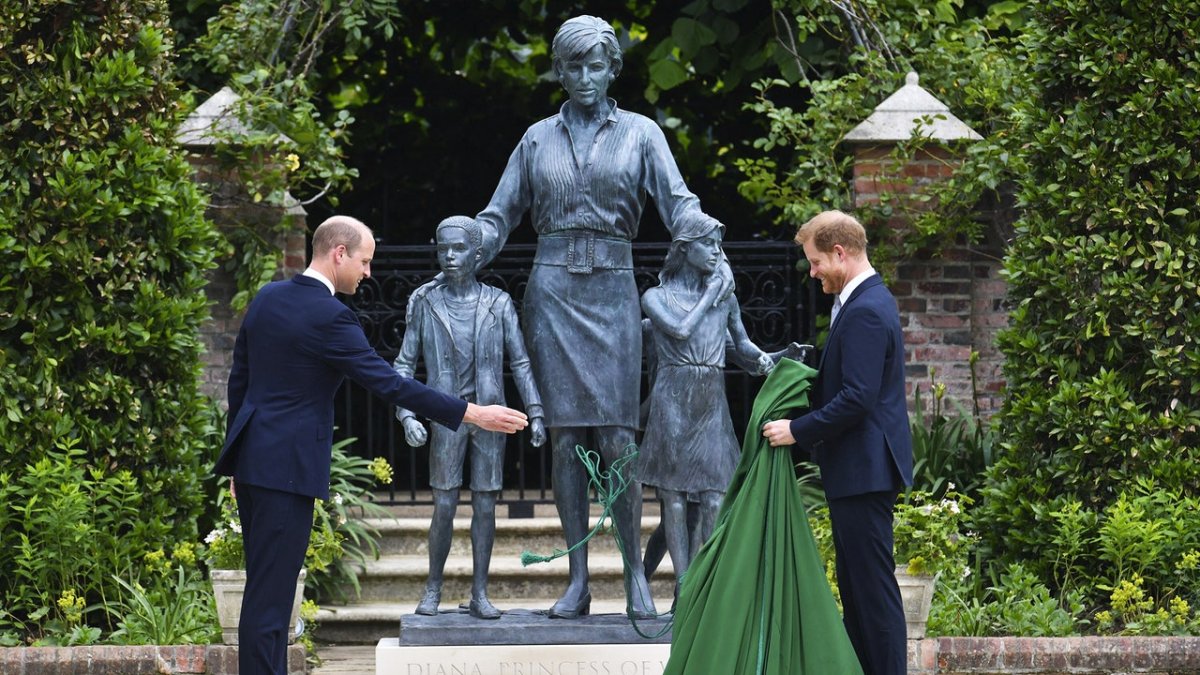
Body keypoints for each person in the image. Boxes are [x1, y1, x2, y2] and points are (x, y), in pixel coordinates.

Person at [466, 15, 733, 620]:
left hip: (613, 292)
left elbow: (679, 205)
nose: (585, 76)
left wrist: (712, 248)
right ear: (559, 72)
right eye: (573, 66)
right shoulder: (536, 139)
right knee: (566, 440)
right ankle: (578, 580)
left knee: (617, 438)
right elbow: (498, 215)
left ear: (613, 69)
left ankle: (636, 575)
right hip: (553, 293)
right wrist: (465, 249)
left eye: (596, 65)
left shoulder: (642, 134)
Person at [214, 215, 528, 674]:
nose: (367, 272)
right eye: (364, 261)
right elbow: (390, 383)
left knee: (268, 593)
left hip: (257, 464)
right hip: (287, 470)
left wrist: (236, 461)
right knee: (272, 598)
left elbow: (239, 381)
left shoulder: (267, 298)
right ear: (338, 253)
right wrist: (473, 413)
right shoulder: (329, 316)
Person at [761, 210, 914, 675]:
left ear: (840, 253)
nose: (813, 273)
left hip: (865, 471)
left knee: (872, 594)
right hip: (858, 470)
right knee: (857, 592)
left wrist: (797, 430)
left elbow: (857, 398)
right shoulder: (861, 301)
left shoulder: (865, 308)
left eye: (815, 262)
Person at [392, 216, 547, 620]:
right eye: (442, 248)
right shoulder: (426, 303)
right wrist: (407, 414)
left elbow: (520, 361)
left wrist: (535, 412)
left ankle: (480, 592)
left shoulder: (498, 303)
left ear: (477, 255)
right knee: (443, 505)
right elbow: (404, 364)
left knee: (486, 506)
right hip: (446, 417)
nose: (449, 256)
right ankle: (433, 587)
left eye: (458, 249)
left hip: (491, 418)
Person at [637, 215, 776, 587]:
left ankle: (707, 584)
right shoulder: (655, 297)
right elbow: (680, 331)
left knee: (714, 495)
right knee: (674, 498)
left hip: (710, 399)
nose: (717, 252)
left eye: (719, 245)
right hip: (672, 398)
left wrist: (772, 359)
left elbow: (742, 346)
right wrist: (711, 294)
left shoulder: (725, 299)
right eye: (709, 244)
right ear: (684, 249)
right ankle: (684, 586)